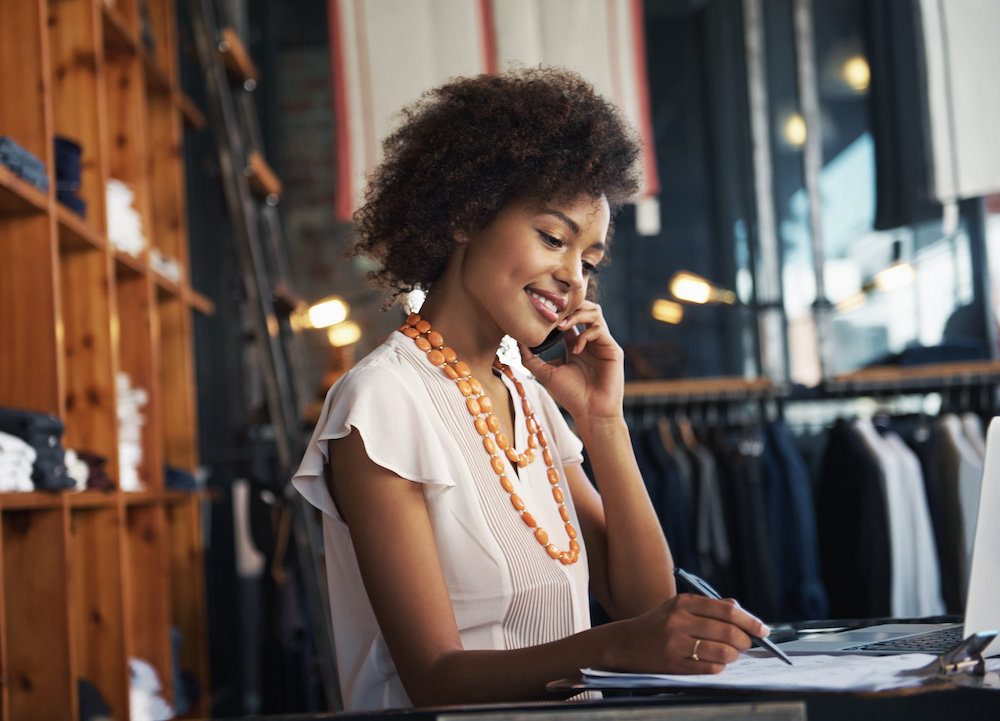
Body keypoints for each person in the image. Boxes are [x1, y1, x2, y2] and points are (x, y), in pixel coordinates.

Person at [292, 67, 769, 712]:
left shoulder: (527, 388)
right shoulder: (381, 405)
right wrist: (615, 649)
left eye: (590, 260)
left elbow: (645, 604)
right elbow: (433, 678)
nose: (574, 278)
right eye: (553, 238)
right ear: (465, 216)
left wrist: (604, 421)